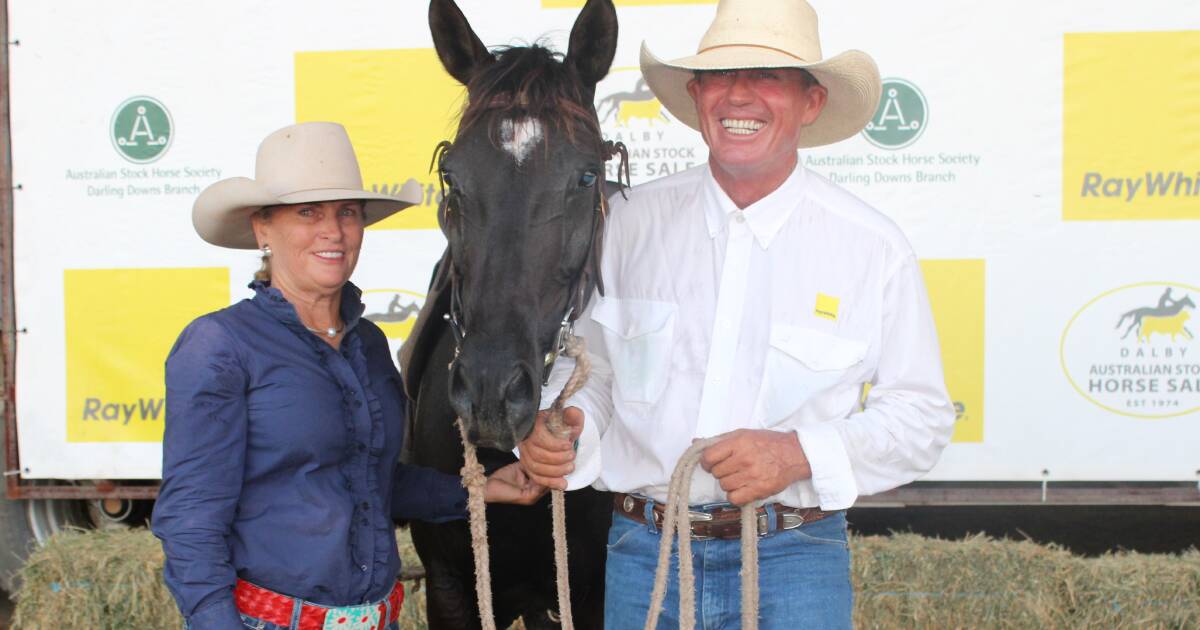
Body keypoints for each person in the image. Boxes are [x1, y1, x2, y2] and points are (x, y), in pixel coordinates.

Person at [518, 1, 956, 628]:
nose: (740, 95)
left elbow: (922, 416)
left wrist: (797, 454)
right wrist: (567, 422)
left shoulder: (872, 248)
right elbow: (595, 370)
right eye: (722, 76)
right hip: (645, 552)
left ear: (811, 102)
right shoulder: (625, 226)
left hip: (795, 557)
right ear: (697, 96)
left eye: (768, 76)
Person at [153, 122, 543, 630]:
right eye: (307, 213)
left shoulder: (369, 344)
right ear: (262, 229)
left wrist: (481, 488)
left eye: (347, 213)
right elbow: (191, 519)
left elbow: (374, 482)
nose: (332, 231)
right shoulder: (220, 345)